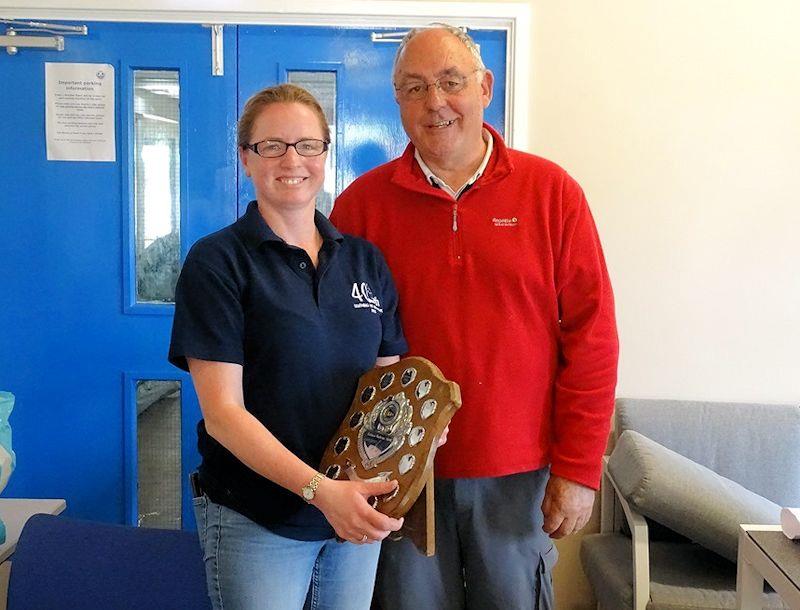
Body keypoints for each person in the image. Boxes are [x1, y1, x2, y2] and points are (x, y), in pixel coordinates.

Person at [330, 25, 619, 609]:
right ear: (398, 102)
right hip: (400, 474)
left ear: (485, 87)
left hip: (520, 474)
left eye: (450, 82)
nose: (435, 102)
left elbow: (593, 340)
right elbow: (336, 345)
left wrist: (579, 468)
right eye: (414, 87)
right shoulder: (360, 206)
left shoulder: (552, 194)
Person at [168, 84, 408, 610]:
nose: (292, 160)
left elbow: (389, 393)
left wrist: (420, 433)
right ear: (245, 160)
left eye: (307, 145)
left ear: (326, 153)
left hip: (353, 515)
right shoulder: (218, 263)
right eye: (272, 146)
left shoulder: (365, 262)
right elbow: (225, 415)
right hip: (257, 515)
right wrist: (322, 493)